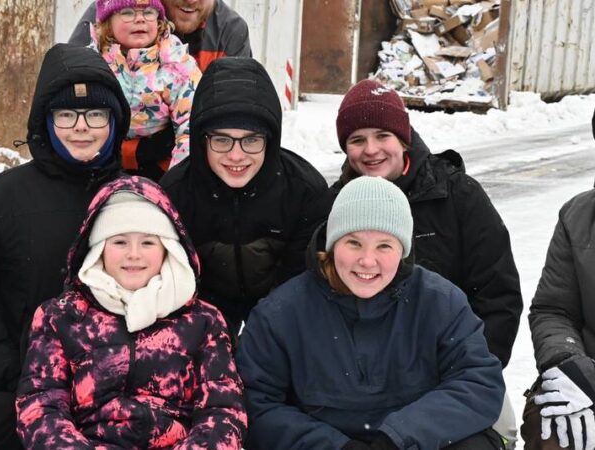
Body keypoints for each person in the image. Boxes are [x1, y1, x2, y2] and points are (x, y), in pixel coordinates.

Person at [236, 175, 506, 450]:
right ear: (331, 243)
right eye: (353, 243)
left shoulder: (440, 302)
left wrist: (395, 438)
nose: (367, 260)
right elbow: (258, 404)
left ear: (402, 250)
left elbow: (478, 382)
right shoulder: (280, 314)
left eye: (384, 246)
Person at [0, 43, 130, 445]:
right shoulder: (0, 200)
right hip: (27, 394)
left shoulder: (137, 195)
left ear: (115, 122)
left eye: (95, 114)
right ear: (45, 121)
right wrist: (11, 373)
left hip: (124, 400)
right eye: (66, 114)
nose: (81, 127)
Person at [330, 78, 523, 445]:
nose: (370, 150)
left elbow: (498, 298)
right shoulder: (336, 207)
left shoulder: (458, 196)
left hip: (452, 371)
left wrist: (466, 377)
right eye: (357, 140)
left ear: (403, 138)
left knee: (499, 431)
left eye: (382, 135)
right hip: (367, 382)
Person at [15, 175, 247, 449]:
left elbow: (223, 411)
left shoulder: (203, 321)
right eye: (120, 242)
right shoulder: (60, 316)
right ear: (98, 249)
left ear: (167, 249)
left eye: (148, 242)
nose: (133, 254)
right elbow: (40, 406)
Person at [160, 56, 330, 338]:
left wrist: (262, 330)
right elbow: (174, 282)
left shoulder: (304, 190)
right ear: (202, 140)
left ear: (270, 140)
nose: (236, 155)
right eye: (222, 140)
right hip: (201, 320)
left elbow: (303, 281)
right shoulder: (175, 193)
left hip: (282, 318)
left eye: (251, 140)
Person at [520, 108, 595, 450]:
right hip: (589, 375)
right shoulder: (578, 216)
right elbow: (554, 310)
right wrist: (568, 365)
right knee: (552, 423)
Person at [86, 0, 201, 179]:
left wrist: (177, 179)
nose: (140, 19)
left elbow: (191, 125)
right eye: (127, 12)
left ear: (159, 21)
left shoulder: (177, 65)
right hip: (101, 162)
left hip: (161, 165)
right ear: (108, 22)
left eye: (148, 12)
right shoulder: (92, 62)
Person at [69, 0, 252, 72]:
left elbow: (233, 114)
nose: (191, 0)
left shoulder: (229, 31)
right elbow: (69, 89)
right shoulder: (115, 12)